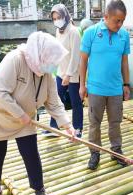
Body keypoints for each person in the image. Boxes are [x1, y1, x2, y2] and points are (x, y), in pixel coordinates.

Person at [0, 32, 76, 195]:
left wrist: (67, 125)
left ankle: (39, 189)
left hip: (25, 121)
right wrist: (20, 114)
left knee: (31, 153)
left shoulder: (46, 74)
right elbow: (0, 91)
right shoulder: (15, 59)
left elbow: (54, 103)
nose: (53, 66)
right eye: (51, 60)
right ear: (41, 55)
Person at [79, 0, 131, 170]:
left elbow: (124, 61)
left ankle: (116, 151)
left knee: (115, 122)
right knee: (94, 123)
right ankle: (95, 153)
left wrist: (126, 84)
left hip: (115, 89)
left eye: (122, 21)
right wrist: (82, 85)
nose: (120, 24)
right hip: (95, 89)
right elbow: (83, 61)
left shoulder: (124, 35)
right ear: (105, 16)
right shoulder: (90, 33)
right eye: (117, 20)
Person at [43, 4, 83, 138]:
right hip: (60, 72)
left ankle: (78, 129)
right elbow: (57, 52)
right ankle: (53, 127)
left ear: (65, 16)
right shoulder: (58, 31)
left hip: (72, 74)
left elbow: (75, 56)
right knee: (56, 99)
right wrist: (51, 69)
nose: (56, 20)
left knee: (75, 101)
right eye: (54, 18)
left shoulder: (74, 32)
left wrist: (69, 74)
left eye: (58, 17)